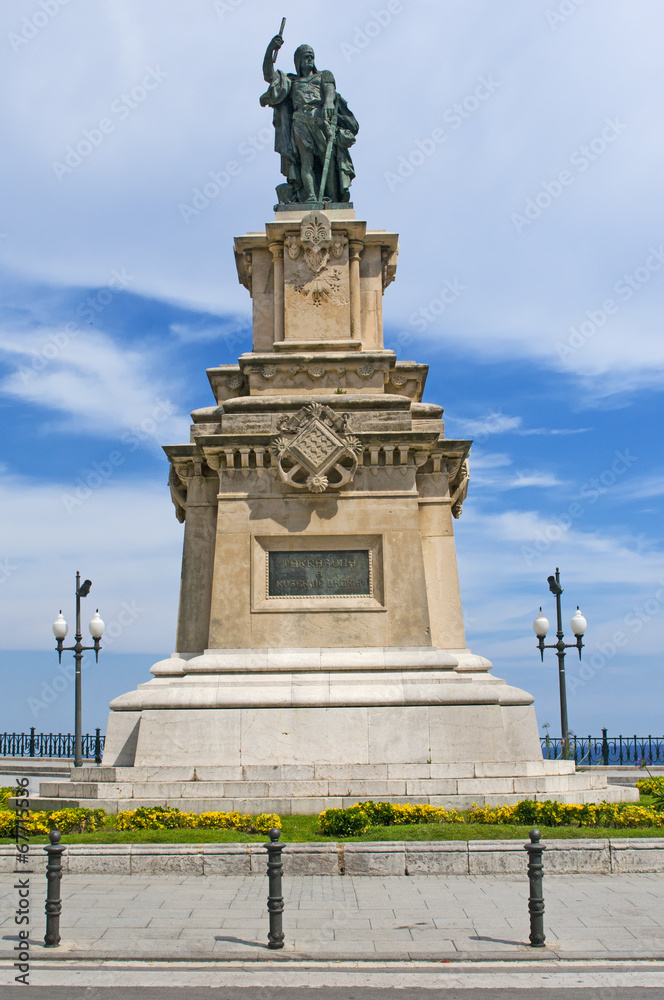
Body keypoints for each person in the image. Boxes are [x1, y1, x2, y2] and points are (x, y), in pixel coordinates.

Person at [260, 35, 358, 204]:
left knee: (327, 159)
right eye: (306, 56)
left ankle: (333, 198)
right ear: (298, 60)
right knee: (306, 161)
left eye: (311, 56)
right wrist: (271, 49)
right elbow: (269, 74)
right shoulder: (291, 81)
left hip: (321, 121)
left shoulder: (324, 75)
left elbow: (330, 90)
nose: (310, 59)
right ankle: (311, 196)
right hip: (300, 122)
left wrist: (327, 101)